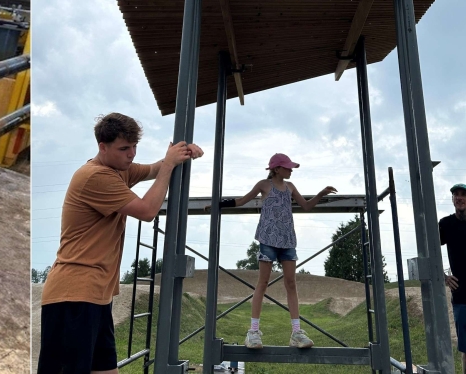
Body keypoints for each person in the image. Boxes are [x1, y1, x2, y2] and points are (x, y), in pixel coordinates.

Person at [37, 113, 203, 374]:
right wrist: (170, 166)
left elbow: (153, 169)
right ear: (102, 147)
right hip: (74, 295)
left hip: (96, 296)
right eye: (124, 148)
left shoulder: (118, 170)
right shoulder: (96, 177)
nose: (132, 154)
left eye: (134, 146)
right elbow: (148, 210)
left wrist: (178, 152)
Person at [217, 153, 337, 349]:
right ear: (276, 169)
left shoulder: (290, 187)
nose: (291, 170)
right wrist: (218, 204)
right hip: (268, 240)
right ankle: (253, 331)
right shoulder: (264, 185)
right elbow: (242, 200)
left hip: (288, 240)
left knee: (291, 283)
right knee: (262, 283)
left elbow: (306, 206)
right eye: (288, 167)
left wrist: (321, 193)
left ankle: (296, 332)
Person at [440, 183, 466, 374]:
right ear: (452, 200)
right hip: (462, 297)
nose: (459, 198)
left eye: (463, 194)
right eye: (456, 195)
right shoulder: (446, 225)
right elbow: (428, 248)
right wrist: (443, 276)